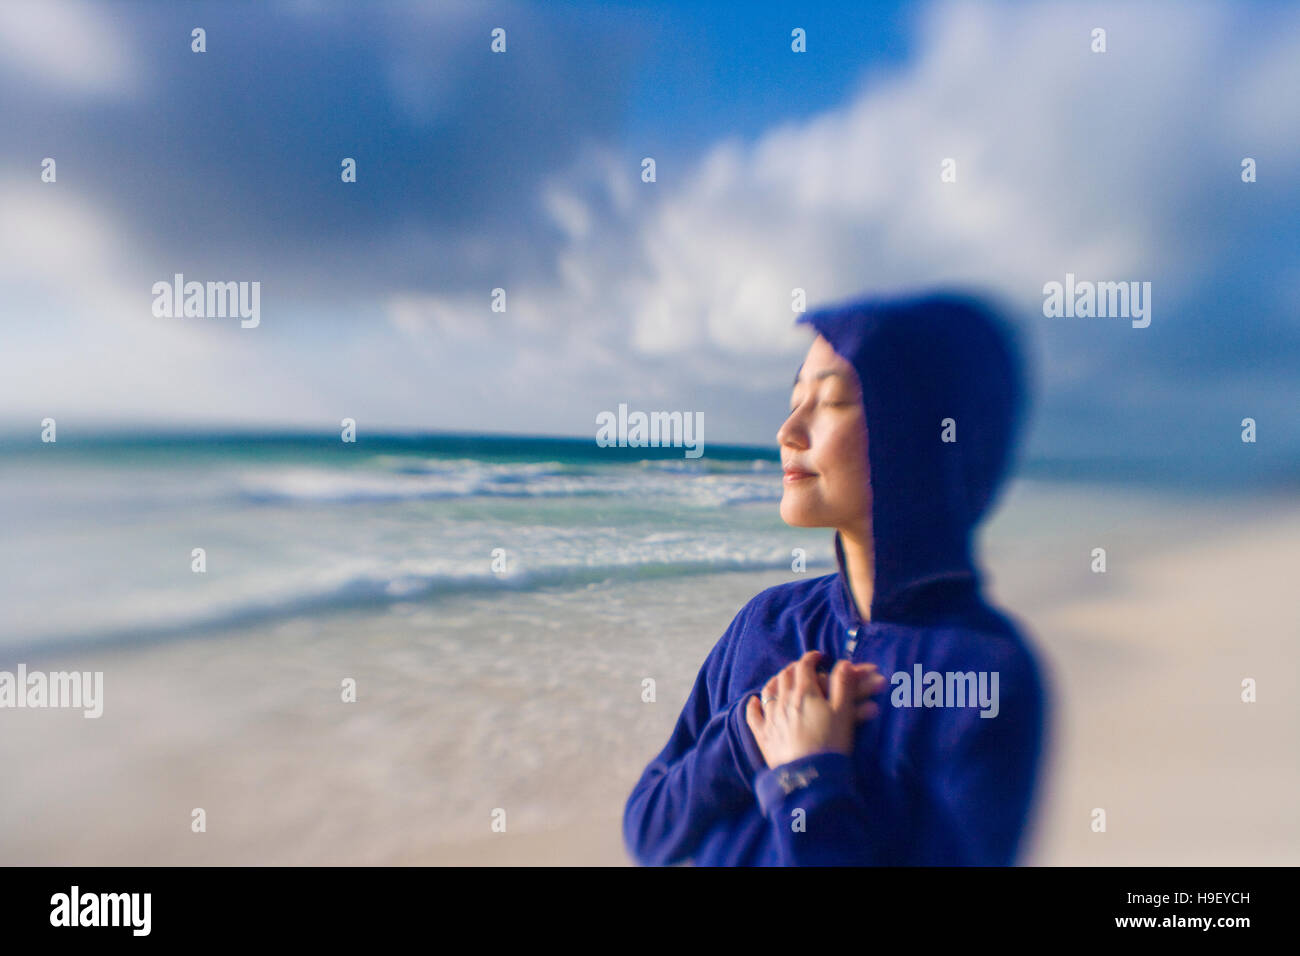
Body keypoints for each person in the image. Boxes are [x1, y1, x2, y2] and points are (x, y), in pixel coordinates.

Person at [622, 291, 1051, 866]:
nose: (788, 430)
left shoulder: (982, 675)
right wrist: (746, 739)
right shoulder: (767, 623)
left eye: (832, 400)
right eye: (795, 397)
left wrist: (808, 780)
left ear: (919, 436)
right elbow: (648, 832)